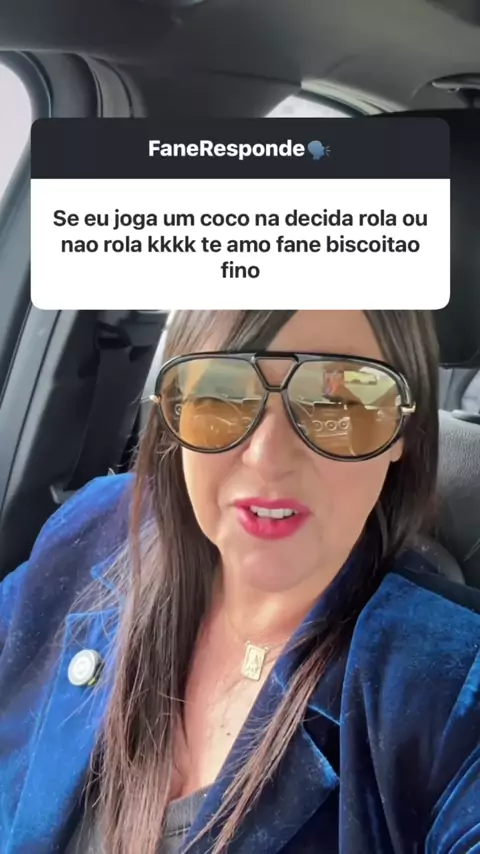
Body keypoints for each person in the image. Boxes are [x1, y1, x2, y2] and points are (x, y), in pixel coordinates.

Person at [0, 309, 479, 854]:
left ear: (403, 431)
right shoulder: (95, 532)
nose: (268, 457)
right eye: (221, 394)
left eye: (338, 402)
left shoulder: (452, 688)